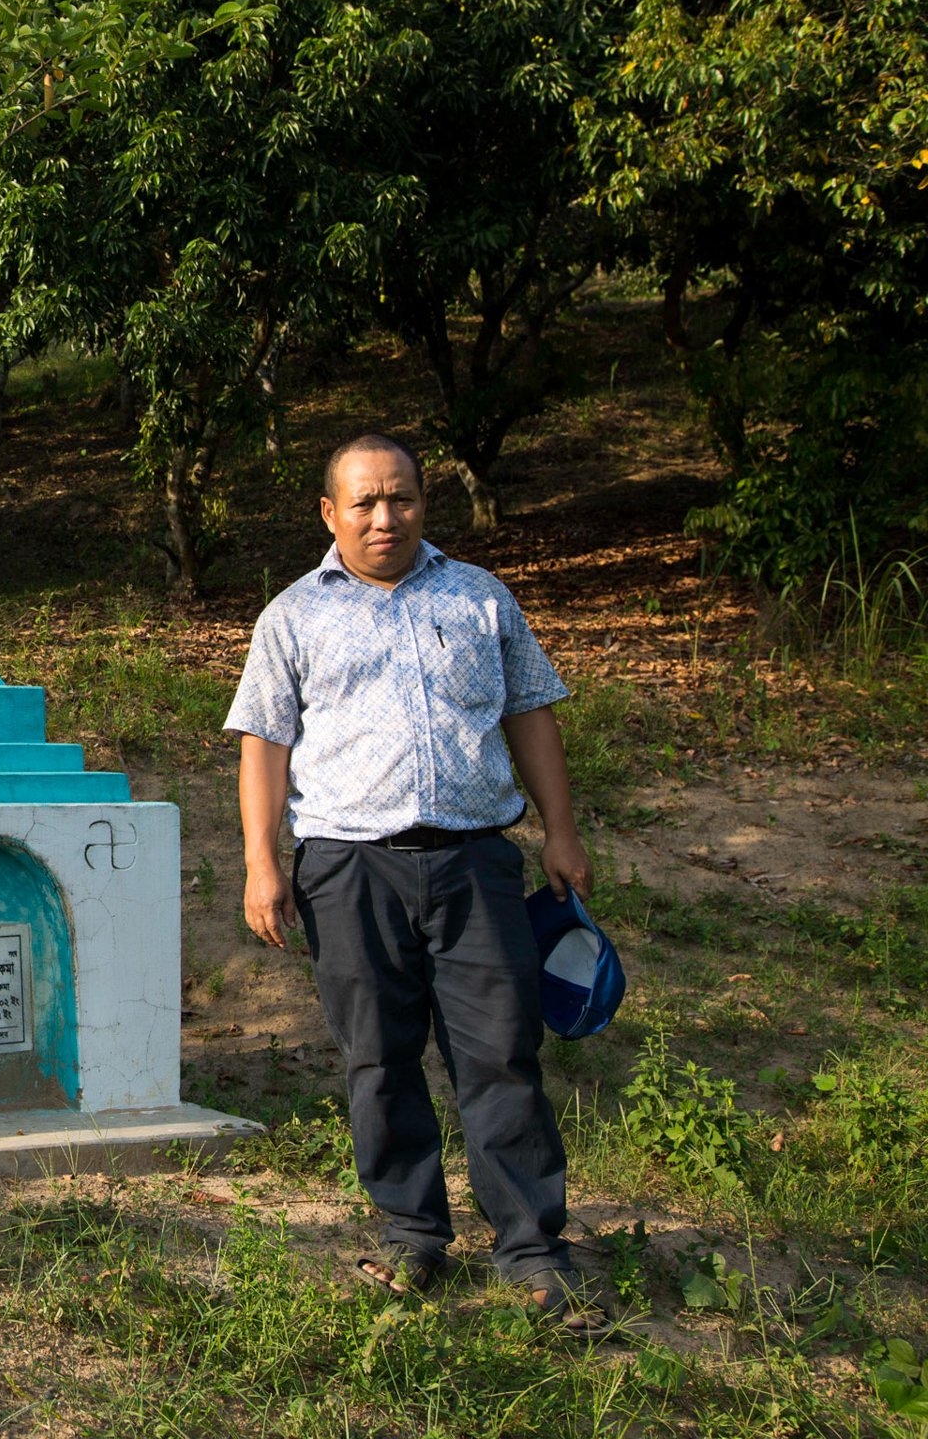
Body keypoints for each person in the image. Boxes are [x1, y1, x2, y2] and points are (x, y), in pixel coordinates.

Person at [224, 432, 604, 1330]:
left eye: (400, 499)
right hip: (348, 868)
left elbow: (531, 715)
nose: (383, 517)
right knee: (378, 1055)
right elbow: (263, 745)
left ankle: (532, 1248)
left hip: (476, 860)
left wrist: (561, 831)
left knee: (501, 1053)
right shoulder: (293, 616)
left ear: (424, 503)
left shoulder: (480, 597)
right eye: (363, 502)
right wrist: (260, 862)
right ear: (330, 513)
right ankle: (411, 1234)